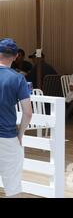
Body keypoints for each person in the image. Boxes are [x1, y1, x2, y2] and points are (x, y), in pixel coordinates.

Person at [0, 38, 33, 197]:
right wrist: (20, 134)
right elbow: (27, 112)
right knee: (12, 187)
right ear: (15, 56)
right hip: (7, 136)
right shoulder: (18, 78)